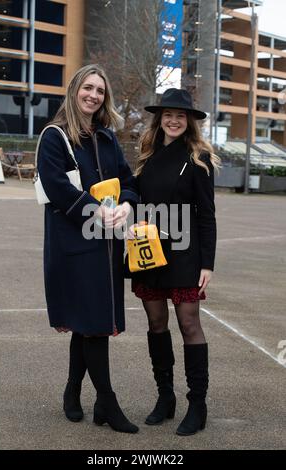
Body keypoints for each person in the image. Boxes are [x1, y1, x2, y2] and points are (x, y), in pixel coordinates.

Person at [37, 64, 139, 434]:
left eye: (99, 90)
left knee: (88, 323)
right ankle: (107, 404)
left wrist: (127, 204)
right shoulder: (55, 136)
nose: (93, 95)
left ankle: (72, 391)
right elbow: (56, 188)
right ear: (75, 90)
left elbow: (128, 182)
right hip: (74, 246)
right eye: (88, 88)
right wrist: (97, 212)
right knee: (95, 324)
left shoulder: (108, 138)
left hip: (106, 245)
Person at [129, 88, 220, 436]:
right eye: (168, 114)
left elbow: (207, 216)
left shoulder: (199, 159)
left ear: (190, 121)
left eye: (181, 116)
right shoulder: (147, 154)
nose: (173, 120)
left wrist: (207, 264)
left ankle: (198, 404)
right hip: (148, 250)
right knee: (155, 323)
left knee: (189, 323)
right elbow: (136, 199)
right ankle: (165, 397)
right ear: (160, 118)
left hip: (185, 252)